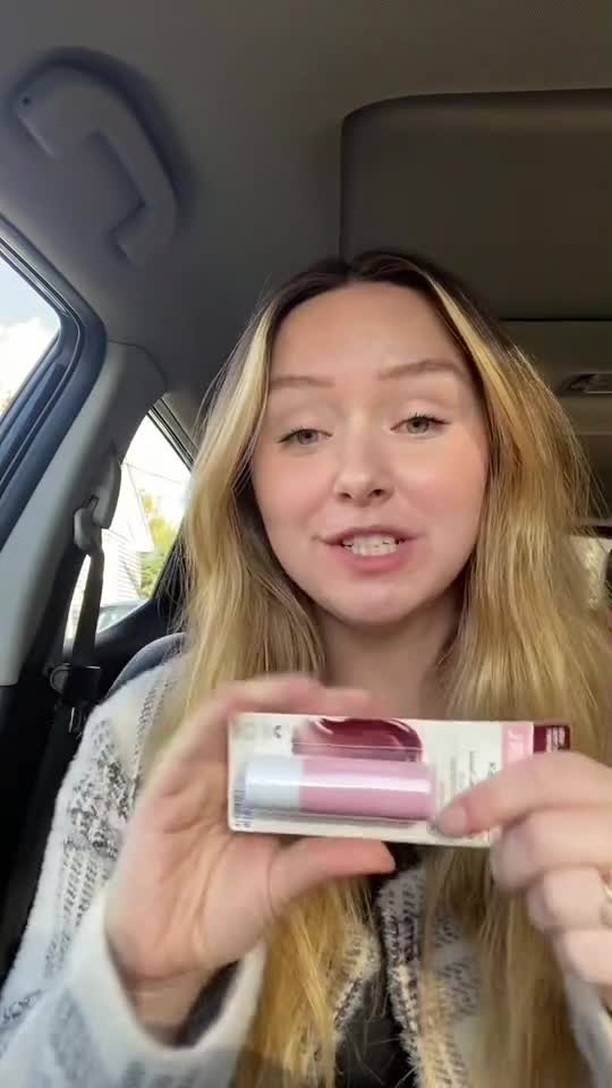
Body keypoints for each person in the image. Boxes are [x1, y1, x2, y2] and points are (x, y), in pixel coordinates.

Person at [0, 250, 611, 1088]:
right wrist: (137, 989)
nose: (358, 477)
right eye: (302, 433)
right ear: (250, 486)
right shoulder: (147, 735)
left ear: (499, 456)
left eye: (418, 420)